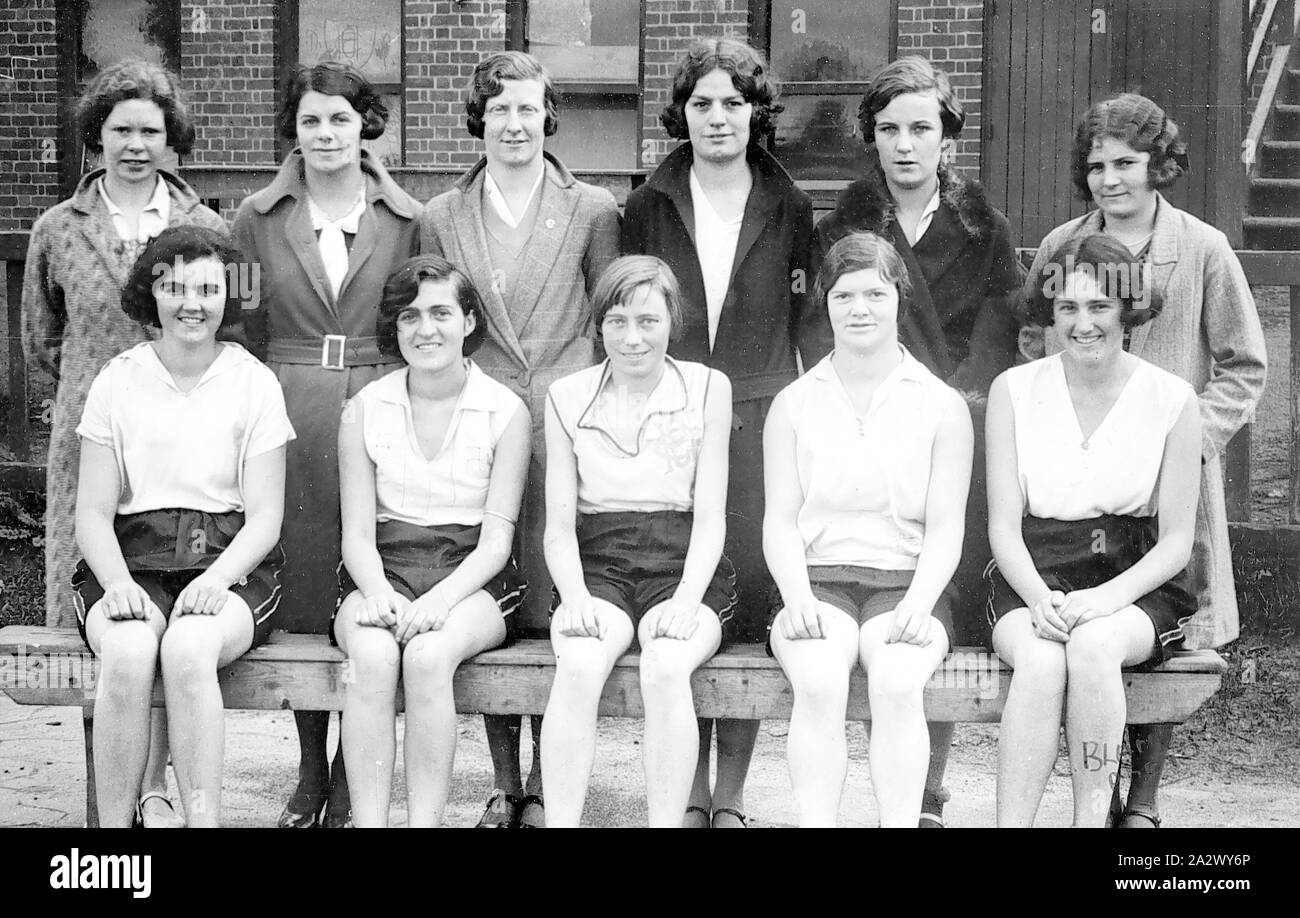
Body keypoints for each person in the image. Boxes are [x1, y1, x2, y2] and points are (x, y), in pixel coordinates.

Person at [1025, 94, 1267, 828]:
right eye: (1096, 166)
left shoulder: (1202, 248)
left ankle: (1145, 798)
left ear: (1157, 164)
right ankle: (1092, 793)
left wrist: (1188, 440)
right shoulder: (1063, 243)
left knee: (1163, 631)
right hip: (1082, 483)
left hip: (1170, 490)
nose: (1110, 179)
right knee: (1087, 630)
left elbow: (1244, 365)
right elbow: (1034, 348)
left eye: (1126, 163)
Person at [811, 56, 1023, 827]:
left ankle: (926, 792)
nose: (905, 145)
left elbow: (1000, 328)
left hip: (951, 433)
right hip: (869, 434)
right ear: (872, 138)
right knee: (873, 599)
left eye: (920, 129)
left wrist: (951, 402)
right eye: (889, 129)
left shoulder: (982, 227)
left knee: (934, 610)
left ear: (946, 139)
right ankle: (881, 790)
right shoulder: (841, 227)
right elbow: (823, 327)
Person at [21, 57, 227, 828]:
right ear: (96, 137)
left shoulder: (204, 228)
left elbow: (230, 322)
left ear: (171, 136)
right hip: (92, 444)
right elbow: (41, 341)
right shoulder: (57, 229)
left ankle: (157, 791)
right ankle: (99, 807)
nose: (136, 144)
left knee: (173, 606)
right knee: (101, 613)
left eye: (151, 129)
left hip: (184, 440)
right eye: (120, 130)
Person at [419, 51, 620, 828]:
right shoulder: (442, 215)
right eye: (499, 109)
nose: (514, 124)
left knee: (550, 601)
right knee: (489, 596)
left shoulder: (594, 208)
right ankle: (505, 779)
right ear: (480, 119)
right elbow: (433, 323)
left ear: (547, 117)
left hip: (568, 426)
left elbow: (608, 324)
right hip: (480, 422)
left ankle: (546, 776)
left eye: (528, 109)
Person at [621, 37, 814, 829]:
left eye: (734, 102)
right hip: (672, 416)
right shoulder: (647, 203)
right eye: (701, 103)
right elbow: (632, 314)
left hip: (760, 419)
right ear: (682, 114)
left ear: (756, 112)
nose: (717, 117)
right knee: (685, 594)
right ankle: (685, 790)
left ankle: (727, 793)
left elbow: (810, 325)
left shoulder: (793, 205)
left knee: (751, 600)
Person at [232, 62, 421, 828]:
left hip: (382, 400)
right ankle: (312, 768)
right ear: (295, 129)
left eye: (341, 119)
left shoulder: (407, 217)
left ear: (365, 125)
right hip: (291, 401)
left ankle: (355, 769)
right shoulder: (255, 216)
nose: (326, 134)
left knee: (374, 571)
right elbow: (241, 321)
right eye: (311, 121)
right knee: (308, 584)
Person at [72, 225, 292, 827]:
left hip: (227, 557)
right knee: (128, 649)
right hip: (132, 557)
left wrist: (219, 579)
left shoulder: (254, 382)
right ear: (152, 293)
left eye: (207, 287)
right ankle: (115, 835)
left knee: (191, 646)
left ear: (228, 295)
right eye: (173, 287)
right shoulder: (118, 377)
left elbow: (265, 516)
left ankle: (203, 818)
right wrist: (116, 584)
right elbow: (91, 511)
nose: (191, 302)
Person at [989, 233, 1202, 827]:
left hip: (1129, 579)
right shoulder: (1015, 390)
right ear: (1049, 314)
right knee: (1039, 660)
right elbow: (1003, 527)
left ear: (1128, 309)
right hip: (1036, 571)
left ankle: (1091, 822)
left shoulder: (1173, 400)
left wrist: (1105, 600)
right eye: (1067, 308)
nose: (1084, 324)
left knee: (1094, 645)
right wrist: (1040, 600)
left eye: (1100, 306)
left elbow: (1177, 540)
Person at [764, 233, 972, 827]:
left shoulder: (940, 405)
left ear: (899, 299)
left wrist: (921, 601)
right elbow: (780, 518)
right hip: (820, 580)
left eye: (875, 294)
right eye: (844, 294)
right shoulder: (795, 403)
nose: (860, 309)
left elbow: (946, 526)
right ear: (825, 303)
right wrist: (796, 595)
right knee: (821, 679)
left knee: (900, 681)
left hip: (907, 582)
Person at [539, 255, 735, 827]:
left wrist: (686, 599)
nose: (632, 338)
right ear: (599, 325)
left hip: (683, 563)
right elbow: (558, 526)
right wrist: (573, 598)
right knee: (577, 660)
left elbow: (711, 517)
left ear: (672, 320)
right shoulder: (566, 395)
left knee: (667, 663)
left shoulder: (706, 387)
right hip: (598, 563)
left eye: (648, 321)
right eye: (617, 321)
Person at [334, 255, 529, 827]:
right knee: (370, 655)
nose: (426, 329)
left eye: (442, 312)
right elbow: (357, 535)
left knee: (426, 655)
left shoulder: (504, 411)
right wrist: (376, 594)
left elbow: (496, 542)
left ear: (469, 321)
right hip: (383, 568)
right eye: (409, 317)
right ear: (394, 329)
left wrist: (438, 602)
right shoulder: (364, 408)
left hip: (470, 577)